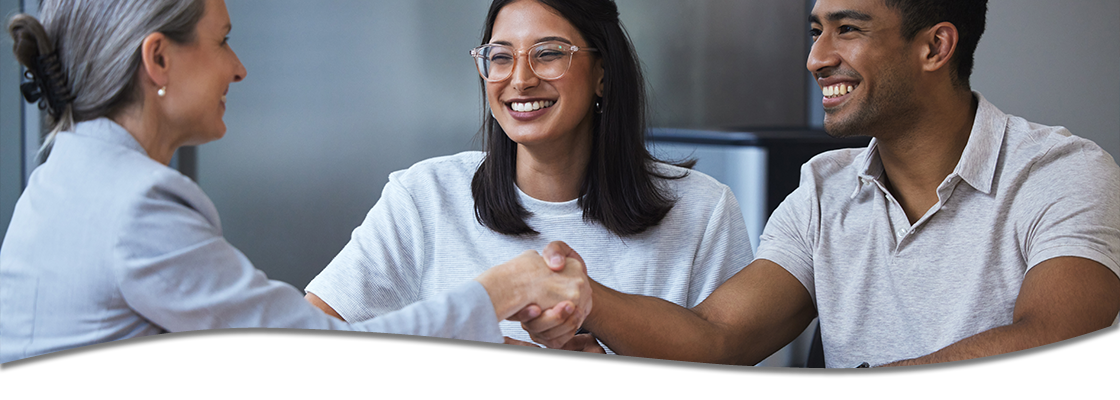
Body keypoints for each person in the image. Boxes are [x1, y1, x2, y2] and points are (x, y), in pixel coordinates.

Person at [524, 0, 1120, 367]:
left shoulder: (1062, 172)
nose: (816, 57)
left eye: (847, 29)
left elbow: (1049, 338)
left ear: (935, 46)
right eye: (815, 30)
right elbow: (716, 339)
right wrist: (589, 300)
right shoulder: (821, 190)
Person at [0, 0, 590, 364]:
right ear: (158, 59)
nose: (238, 66)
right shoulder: (139, 206)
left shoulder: (64, 174)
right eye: (223, 38)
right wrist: (502, 290)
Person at [303, 0, 752, 353]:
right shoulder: (424, 197)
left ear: (603, 72)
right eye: (500, 57)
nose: (519, 79)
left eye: (549, 53)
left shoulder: (704, 211)